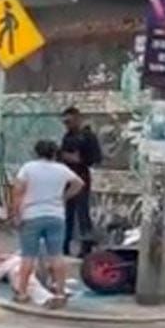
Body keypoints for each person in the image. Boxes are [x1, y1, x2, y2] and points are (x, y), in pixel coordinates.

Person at [11, 139, 84, 307]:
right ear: (54, 153)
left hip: (32, 216)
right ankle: (60, 291)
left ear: (36, 152)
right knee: (56, 256)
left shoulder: (28, 168)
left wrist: (16, 214)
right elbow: (79, 183)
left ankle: (22, 292)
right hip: (56, 216)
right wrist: (64, 197)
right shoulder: (61, 169)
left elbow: (17, 192)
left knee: (28, 256)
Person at [60, 107, 102, 257]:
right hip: (67, 177)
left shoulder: (87, 136)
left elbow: (95, 158)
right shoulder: (67, 136)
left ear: (77, 118)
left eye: (69, 121)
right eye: (65, 122)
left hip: (81, 176)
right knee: (67, 213)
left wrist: (79, 159)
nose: (67, 125)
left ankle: (86, 247)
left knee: (82, 212)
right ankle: (64, 244)